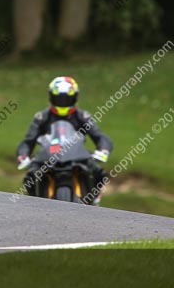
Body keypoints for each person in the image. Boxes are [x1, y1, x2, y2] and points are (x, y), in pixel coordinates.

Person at [17, 76, 113, 204]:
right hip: (47, 157)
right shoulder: (41, 117)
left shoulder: (83, 116)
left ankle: (94, 198)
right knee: (30, 176)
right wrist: (23, 155)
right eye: (59, 98)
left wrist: (103, 149)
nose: (63, 102)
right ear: (51, 97)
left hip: (77, 155)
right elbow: (28, 141)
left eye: (67, 98)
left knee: (99, 172)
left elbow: (99, 136)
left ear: (75, 97)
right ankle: (34, 203)